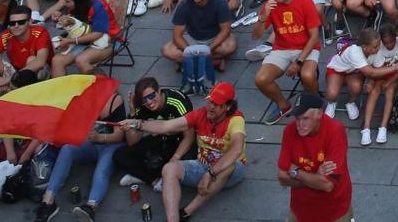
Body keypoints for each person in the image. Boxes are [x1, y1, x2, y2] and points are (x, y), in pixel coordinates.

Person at [127, 81, 247, 222]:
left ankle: (187, 211)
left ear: (228, 107)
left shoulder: (236, 119)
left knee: (228, 166)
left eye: (216, 104)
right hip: (203, 164)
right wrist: (136, 123)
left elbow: (236, 150)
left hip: (231, 172)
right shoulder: (200, 114)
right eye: (210, 102)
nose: (211, 107)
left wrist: (210, 173)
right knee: (169, 168)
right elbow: (166, 126)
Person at [31, 79, 128, 222]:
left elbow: (119, 136)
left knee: (102, 169)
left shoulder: (115, 100)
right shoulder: (85, 100)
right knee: (68, 149)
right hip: (92, 143)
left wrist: (99, 137)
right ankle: (48, 200)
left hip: (111, 144)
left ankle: (91, 207)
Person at [253, 0, 322, 122]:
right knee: (261, 79)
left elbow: (314, 37)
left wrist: (298, 62)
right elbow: (256, 35)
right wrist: (263, 17)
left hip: (307, 47)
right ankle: (284, 105)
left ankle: (315, 106)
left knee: (307, 75)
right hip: (282, 49)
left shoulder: (305, 2)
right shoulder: (270, 5)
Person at [277, 92, 354, 222]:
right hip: (300, 209)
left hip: (334, 211)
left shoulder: (335, 131)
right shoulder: (289, 131)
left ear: (319, 114)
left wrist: (296, 172)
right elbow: (282, 178)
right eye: (297, 118)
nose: (300, 124)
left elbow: (327, 184)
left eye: (305, 118)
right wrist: (314, 178)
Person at [114, 77, 193, 190]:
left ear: (159, 90)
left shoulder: (177, 101)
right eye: (144, 99)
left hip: (180, 141)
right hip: (160, 139)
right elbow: (133, 141)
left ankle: (144, 175)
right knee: (120, 155)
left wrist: (175, 158)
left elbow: (189, 137)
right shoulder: (140, 106)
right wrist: (132, 113)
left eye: (151, 96)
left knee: (185, 162)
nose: (149, 102)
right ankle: (154, 180)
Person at [162, 0, 237, 70]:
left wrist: (209, 49)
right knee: (167, 50)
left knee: (230, 46)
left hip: (214, 38)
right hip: (191, 38)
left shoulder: (220, 2)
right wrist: (190, 51)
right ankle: (213, 61)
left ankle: (188, 62)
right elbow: (177, 35)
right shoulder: (184, 4)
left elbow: (225, 30)